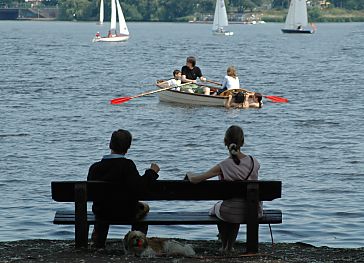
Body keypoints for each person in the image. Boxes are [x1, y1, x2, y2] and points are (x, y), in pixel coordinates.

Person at [185, 125, 262, 252]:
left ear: (225, 142)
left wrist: (189, 174)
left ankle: (224, 246)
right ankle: (229, 246)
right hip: (253, 211)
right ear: (242, 142)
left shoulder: (224, 165)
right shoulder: (254, 162)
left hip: (230, 212)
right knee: (235, 206)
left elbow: (196, 179)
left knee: (219, 209)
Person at [87, 129, 160, 248]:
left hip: (102, 212)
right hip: (127, 212)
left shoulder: (95, 168)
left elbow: (91, 192)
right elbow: (140, 189)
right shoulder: (127, 166)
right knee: (144, 208)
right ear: (128, 148)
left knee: (104, 205)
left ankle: (98, 242)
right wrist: (152, 172)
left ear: (110, 144)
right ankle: (137, 245)